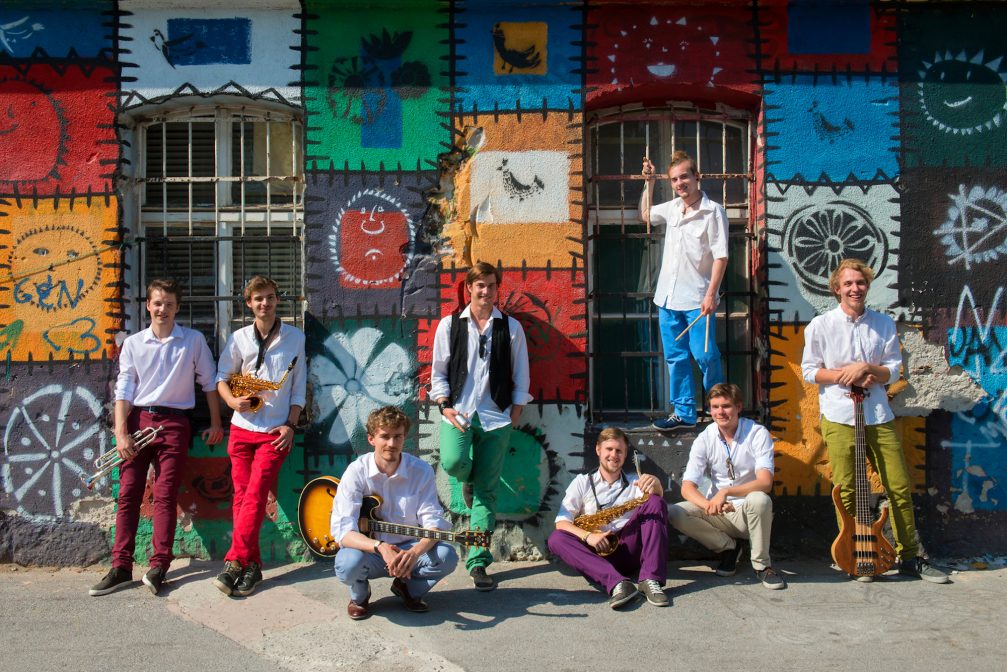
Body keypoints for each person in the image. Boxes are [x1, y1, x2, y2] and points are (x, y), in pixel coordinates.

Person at [801, 259, 949, 584]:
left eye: (861, 283)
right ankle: (858, 557)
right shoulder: (821, 326)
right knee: (850, 490)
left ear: (867, 286)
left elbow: (893, 369)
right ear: (837, 288)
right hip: (840, 417)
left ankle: (909, 557)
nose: (855, 288)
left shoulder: (883, 324)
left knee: (898, 486)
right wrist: (847, 375)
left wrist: (869, 369)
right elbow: (811, 371)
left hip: (878, 415)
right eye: (849, 283)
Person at [89, 279, 223, 596]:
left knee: (164, 496)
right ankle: (121, 567)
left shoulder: (192, 341)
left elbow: (209, 383)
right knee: (129, 494)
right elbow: (123, 390)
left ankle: (158, 565)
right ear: (148, 305)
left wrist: (216, 422)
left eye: (169, 304)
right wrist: (121, 434)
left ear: (177, 307)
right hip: (138, 420)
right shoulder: (134, 344)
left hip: (175, 423)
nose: (162, 309)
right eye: (157, 303)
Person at [429, 261, 532, 591]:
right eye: (479, 285)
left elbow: (521, 373)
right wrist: (444, 406)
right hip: (458, 413)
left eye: (490, 285)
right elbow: (439, 371)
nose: (485, 291)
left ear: (496, 288)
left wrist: (515, 412)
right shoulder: (450, 326)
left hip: (497, 417)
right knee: (453, 461)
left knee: (487, 493)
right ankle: (467, 479)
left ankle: (477, 560)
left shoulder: (511, 328)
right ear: (469, 288)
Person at [214, 275, 306, 597]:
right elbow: (221, 377)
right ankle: (252, 567)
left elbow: (298, 388)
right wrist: (230, 401)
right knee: (241, 498)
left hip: (273, 433)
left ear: (277, 299)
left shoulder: (296, 338)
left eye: (269, 297)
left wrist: (291, 426)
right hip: (241, 427)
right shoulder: (239, 338)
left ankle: (234, 561)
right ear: (249, 303)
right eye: (258, 299)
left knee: (254, 496)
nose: (264, 303)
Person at [331, 407, 459, 620]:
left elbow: (432, 521)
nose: (391, 443)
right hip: (370, 552)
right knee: (347, 563)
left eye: (397, 436)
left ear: (404, 438)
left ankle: (408, 589)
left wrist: (415, 552)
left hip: (408, 549)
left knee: (447, 556)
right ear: (371, 439)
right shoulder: (357, 472)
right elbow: (344, 531)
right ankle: (360, 596)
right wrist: (380, 547)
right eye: (385, 436)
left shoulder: (421, 471)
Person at [641, 150, 728, 431]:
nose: (680, 183)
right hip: (667, 298)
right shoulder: (673, 208)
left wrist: (711, 294)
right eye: (675, 179)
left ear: (696, 176)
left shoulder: (713, 211)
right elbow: (644, 214)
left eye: (684, 177)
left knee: (705, 355)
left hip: (697, 299)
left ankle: (719, 410)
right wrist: (650, 182)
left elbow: (721, 257)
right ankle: (685, 413)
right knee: (675, 358)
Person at [669, 383, 785, 589]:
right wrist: (709, 505)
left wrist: (726, 492)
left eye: (726, 406)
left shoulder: (757, 433)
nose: (720, 412)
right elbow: (687, 487)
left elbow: (765, 483)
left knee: (759, 499)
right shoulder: (705, 438)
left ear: (738, 407)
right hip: (719, 512)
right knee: (675, 512)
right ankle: (728, 548)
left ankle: (762, 566)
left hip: (749, 513)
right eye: (714, 407)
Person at [548, 428, 669, 609]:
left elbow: (656, 505)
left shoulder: (636, 482)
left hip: (628, 549)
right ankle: (619, 584)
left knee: (655, 502)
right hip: (596, 553)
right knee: (556, 539)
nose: (614, 455)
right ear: (598, 450)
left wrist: (657, 486)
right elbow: (561, 522)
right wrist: (589, 536)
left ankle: (651, 579)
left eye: (619, 451)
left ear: (625, 453)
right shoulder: (582, 482)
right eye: (609, 449)